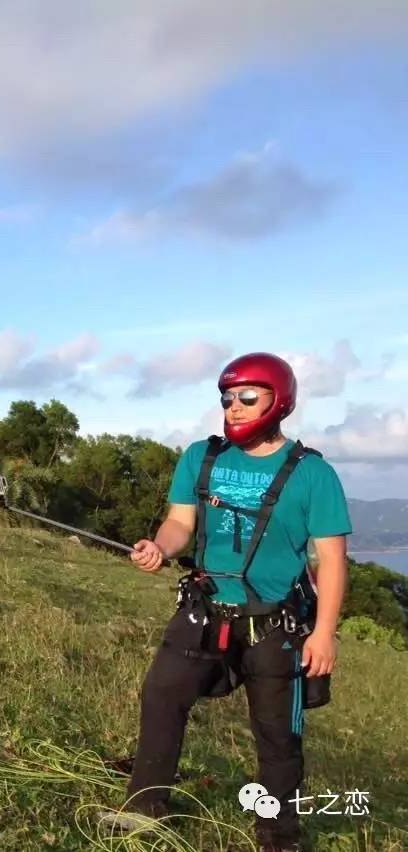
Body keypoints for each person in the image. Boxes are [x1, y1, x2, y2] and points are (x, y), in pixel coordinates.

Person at [105, 352, 351, 852]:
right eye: (226, 398)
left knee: (278, 736)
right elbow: (180, 523)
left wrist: (323, 632)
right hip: (204, 609)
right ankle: (145, 808)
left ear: (277, 401)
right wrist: (160, 546)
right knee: (162, 696)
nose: (233, 407)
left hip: (276, 625)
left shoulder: (312, 475)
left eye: (246, 397)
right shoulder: (203, 456)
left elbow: (331, 559)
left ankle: (280, 837)